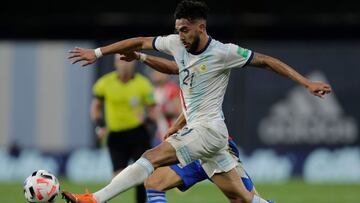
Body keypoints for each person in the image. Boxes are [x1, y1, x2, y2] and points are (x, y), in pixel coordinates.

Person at [63, 1, 331, 202]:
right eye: (177, 31)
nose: (180, 36)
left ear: (201, 27)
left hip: (209, 131)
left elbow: (267, 61)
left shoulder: (224, 53)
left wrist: (306, 83)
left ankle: (94, 199)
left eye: (185, 30)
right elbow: (144, 44)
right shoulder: (178, 46)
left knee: (150, 159)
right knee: (243, 199)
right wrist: (106, 54)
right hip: (205, 138)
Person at [120, 51, 272, 203]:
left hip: (216, 149)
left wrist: (166, 116)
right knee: (154, 182)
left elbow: (183, 112)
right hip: (186, 147)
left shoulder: (194, 85)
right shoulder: (164, 89)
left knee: (245, 199)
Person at [90, 54, 156, 203]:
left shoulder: (143, 84)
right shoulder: (104, 83)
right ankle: (103, 198)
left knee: (143, 174)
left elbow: (153, 111)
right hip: (116, 135)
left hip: (138, 134)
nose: (124, 64)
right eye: (121, 61)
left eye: (128, 60)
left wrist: (146, 119)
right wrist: (99, 125)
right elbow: (95, 107)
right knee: (117, 176)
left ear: (133, 63)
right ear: (115, 64)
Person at [150, 69, 181, 145]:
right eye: (155, 72)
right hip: (160, 134)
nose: (157, 74)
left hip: (174, 134)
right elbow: (152, 114)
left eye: (159, 72)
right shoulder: (153, 91)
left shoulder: (172, 89)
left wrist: (165, 111)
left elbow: (180, 112)